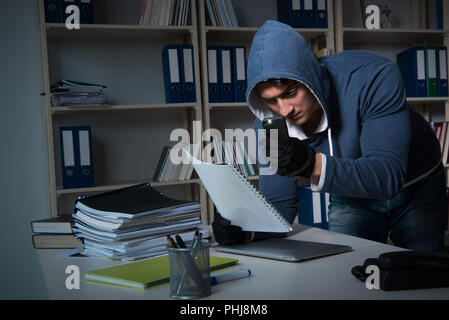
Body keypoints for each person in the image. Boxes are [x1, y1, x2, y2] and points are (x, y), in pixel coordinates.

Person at [212, 20, 447, 252]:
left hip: (416, 183)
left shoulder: (374, 77)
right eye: (272, 101)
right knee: (346, 272)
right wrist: (246, 229)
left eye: (291, 93)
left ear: (310, 77)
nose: (285, 110)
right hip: (351, 189)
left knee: (424, 272)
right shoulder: (269, 126)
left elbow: (388, 176)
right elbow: (279, 205)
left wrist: (310, 163)